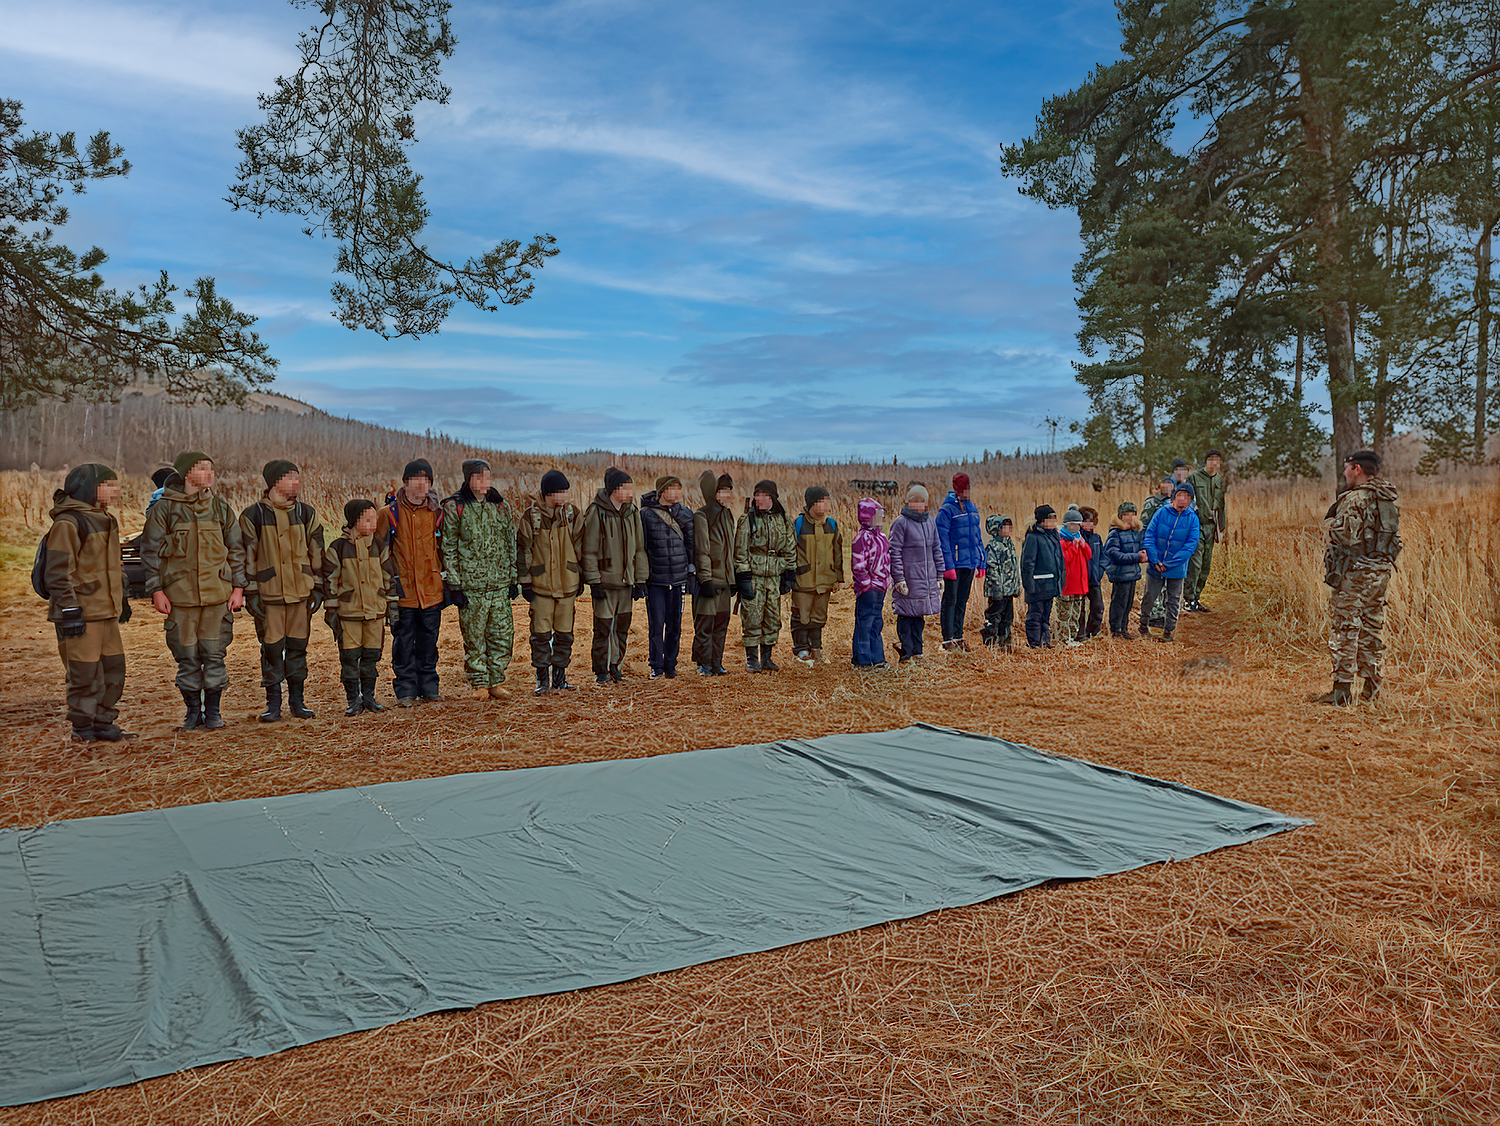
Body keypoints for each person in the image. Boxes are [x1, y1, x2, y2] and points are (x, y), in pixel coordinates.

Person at [140, 451, 246, 730]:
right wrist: (157, 590)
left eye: (211, 468)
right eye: (201, 469)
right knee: (187, 656)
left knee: (214, 654)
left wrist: (238, 588)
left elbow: (236, 550)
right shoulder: (165, 509)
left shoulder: (221, 508)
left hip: (216, 596)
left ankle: (213, 713)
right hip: (180, 597)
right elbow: (150, 553)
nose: (209, 473)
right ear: (187, 474)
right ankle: (192, 713)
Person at [44, 464, 132, 743]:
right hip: (81, 615)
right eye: (109, 485)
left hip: (106, 613)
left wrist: (122, 598)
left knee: (114, 670)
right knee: (84, 674)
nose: (116, 491)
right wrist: (70, 609)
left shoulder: (107, 520)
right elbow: (57, 573)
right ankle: (82, 728)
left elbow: (114, 567)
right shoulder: (68, 523)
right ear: (90, 487)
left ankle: (104, 723)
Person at [240, 460, 328, 722]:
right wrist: (252, 592)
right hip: (270, 597)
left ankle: (297, 702)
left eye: (297, 478)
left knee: (298, 648)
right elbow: (247, 555)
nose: (296, 483)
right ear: (274, 482)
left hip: (301, 594)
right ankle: (273, 704)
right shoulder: (252, 515)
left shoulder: (306, 514)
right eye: (290, 478)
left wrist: (319, 586)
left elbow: (317, 552)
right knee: (270, 649)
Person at [1320, 450, 1401, 705]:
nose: (1344, 472)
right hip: (1380, 572)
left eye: (1347, 468)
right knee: (1372, 626)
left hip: (1355, 572)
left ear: (1357, 469)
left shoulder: (1354, 499)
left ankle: (1341, 693)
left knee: (1346, 627)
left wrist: (1331, 527)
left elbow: (1344, 537)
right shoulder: (1386, 498)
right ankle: (1371, 690)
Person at [441, 458, 520, 702]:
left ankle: (496, 680)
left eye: (487, 477)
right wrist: (454, 584)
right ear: (468, 479)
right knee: (475, 638)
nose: (483, 482)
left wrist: (512, 578)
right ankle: (479, 683)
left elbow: (510, 542)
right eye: (478, 477)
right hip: (471, 587)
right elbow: (449, 547)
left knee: (502, 636)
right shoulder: (456, 507)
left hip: (498, 584)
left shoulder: (500, 505)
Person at [377, 459, 446, 706]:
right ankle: (405, 689)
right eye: (416, 479)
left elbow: (444, 550)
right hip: (402, 590)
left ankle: (429, 687)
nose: (421, 484)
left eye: (426, 480)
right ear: (405, 483)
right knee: (404, 642)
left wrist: (445, 581)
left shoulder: (438, 513)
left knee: (429, 641)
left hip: (431, 589)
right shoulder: (388, 514)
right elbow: (379, 552)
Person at [326, 499, 398, 715]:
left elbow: (389, 578)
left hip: (375, 612)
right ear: (354, 521)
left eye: (374, 518)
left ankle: (369, 698)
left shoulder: (380, 547)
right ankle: (352, 701)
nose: (373, 523)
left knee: (371, 656)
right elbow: (330, 581)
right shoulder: (337, 548)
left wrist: (392, 607)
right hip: (349, 613)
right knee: (349, 657)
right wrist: (331, 611)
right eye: (367, 519)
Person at [518, 469, 586, 695]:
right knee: (540, 635)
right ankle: (542, 680)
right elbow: (524, 549)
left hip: (567, 585)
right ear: (548, 493)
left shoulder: (573, 514)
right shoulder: (531, 516)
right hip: (541, 587)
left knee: (565, 634)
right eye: (560, 492)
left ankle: (560, 677)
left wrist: (581, 575)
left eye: (566, 491)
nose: (565, 496)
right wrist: (526, 581)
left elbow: (581, 547)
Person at [581, 467, 648, 684]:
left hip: (625, 584)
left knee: (621, 627)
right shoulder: (595, 512)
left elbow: (639, 548)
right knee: (603, 628)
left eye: (631, 487)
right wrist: (594, 581)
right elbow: (589, 550)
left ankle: (615, 666)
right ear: (614, 489)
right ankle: (601, 671)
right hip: (605, 583)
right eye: (626, 487)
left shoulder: (632, 512)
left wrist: (639, 579)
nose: (630, 492)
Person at [734, 479, 796, 672]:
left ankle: (766, 658)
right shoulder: (747, 520)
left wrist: (788, 572)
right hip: (754, 577)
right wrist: (743, 577)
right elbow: (740, 551)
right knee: (752, 617)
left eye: (765, 495)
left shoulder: (784, 520)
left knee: (772, 617)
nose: (761, 499)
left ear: (773, 498)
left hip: (774, 578)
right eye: (758, 495)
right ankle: (752, 659)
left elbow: (790, 548)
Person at [640, 474, 696, 678]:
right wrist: (644, 577)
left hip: (679, 578)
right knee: (656, 625)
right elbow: (642, 546)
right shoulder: (646, 514)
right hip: (656, 580)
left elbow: (691, 545)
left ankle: (671, 665)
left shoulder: (686, 514)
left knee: (675, 625)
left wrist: (690, 571)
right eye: (673, 488)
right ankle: (656, 665)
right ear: (662, 491)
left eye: (679, 488)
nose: (677, 493)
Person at [791, 485, 847, 664]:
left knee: (819, 616)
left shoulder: (831, 524)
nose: (827, 505)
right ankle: (801, 650)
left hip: (824, 579)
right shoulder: (799, 524)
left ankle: (816, 648)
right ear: (812, 504)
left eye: (827, 500)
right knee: (801, 615)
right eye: (823, 501)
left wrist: (838, 577)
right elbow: (790, 550)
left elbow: (837, 551)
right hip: (803, 579)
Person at [1139, 481, 1201, 642]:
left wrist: (1170, 564)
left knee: (1173, 600)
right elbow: (1150, 535)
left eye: (1187, 497)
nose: (1182, 500)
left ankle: (1168, 633)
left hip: (1176, 568)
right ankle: (1143, 626)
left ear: (1190, 501)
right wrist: (1155, 560)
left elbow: (1190, 546)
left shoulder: (1193, 519)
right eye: (1180, 496)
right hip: (1155, 564)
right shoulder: (1161, 513)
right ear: (1173, 498)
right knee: (1149, 596)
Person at [887, 484, 943, 662]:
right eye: (915, 501)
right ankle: (906, 653)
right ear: (908, 502)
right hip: (908, 578)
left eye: (922, 501)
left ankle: (917, 651)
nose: (919, 504)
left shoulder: (930, 522)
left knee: (919, 617)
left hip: (925, 580)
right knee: (906, 616)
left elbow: (937, 549)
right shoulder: (900, 523)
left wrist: (940, 575)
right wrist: (898, 579)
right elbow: (894, 552)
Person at [691, 471, 737, 676]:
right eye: (722, 490)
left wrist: (733, 578)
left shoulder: (727, 515)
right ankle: (704, 664)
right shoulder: (702, 515)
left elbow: (732, 549)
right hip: (710, 580)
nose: (727, 495)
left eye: (729, 490)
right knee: (705, 624)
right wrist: (705, 579)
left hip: (726, 581)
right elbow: (702, 550)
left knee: (721, 624)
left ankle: (717, 663)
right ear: (713, 492)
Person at [936, 472, 984, 650]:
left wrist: (981, 561)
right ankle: (947, 639)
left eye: (969, 488)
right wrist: (947, 566)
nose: (967, 492)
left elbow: (977, 536)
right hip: (954, 564)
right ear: (957, 489)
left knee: (963, 600)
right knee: (950, 600)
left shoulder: (972, 508)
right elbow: (942, 540)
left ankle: (958, 636)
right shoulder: (946, 510)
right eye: (964, 489)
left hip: (969, 562)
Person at [1184, 449, 1228, 612]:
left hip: (1212, 527)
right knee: (1195, 563)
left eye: (1217, 460)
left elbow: (1221, 506)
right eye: (1211, 459)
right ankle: (1188, 599)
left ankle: (1196, 598)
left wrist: (1221, 529)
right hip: (1196, 525)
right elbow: (1186, 500)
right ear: (1206, 461)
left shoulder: (1220, 480)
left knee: (1206, 565)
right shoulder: (1194, 477)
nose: (1214, 462)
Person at [849, 497, 890, 668]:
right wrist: (866, 584)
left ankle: (878, 658)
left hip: (881, 587)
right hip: (868, 588)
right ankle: (862, 659)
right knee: (864, 622)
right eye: (878, 514)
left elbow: (887, 560)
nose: (882, 518)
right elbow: (858, 566)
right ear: (868, 516)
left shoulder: (882, 537)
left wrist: (887, 580)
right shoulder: (861, 538)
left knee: (876, 622)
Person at [1020, 505, 1063, 648]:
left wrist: (1059, 581)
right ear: (1042, 521)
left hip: (1050, 584)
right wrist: (1029, 585)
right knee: (1035, 615)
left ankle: (1045, 640)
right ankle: (1034, 643)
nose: (1053, 522)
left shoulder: (1054, 536)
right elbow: (1027, 563)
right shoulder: (1033, 537)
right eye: (1050, 519)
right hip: (1037, 585)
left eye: (1054, 519)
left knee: (1046, 615)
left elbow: (1059, 560)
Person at [1104, 501, 1146, 639]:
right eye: (1126, 514)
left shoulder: (1136, 532)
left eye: (1132, 514)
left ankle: (1123, 628)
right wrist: (1136, 557)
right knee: (1119, 602)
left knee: (1128, 603)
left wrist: (1144, 554)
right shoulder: (1115, 533)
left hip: (1133, 574)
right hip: (1120, 574)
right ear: (1120, 516)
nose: (1129, 517)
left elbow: (1142, 547)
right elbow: (1113, 554)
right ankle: (1115, 629)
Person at [1054, 507, 1093, 647]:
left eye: (1078, 525)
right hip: (1067, 586)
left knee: (1076, 615)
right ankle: (1064, 640)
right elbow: (1065, 560)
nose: (1076, 528)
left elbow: (1089, 555)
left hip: (1079, 585)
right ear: (1067, 525)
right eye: (1073, 525)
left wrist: (1082, 545)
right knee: (1065, 614)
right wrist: (1074, 547)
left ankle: (1073, 637)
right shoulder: (1062, 542)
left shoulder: (1079, 538)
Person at [1139, 476, 1175, 627]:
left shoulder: (1177, 502)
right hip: (1156, 547)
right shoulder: (1152, 502)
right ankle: (1154, 616)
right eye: (1164, 485)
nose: (1167, 488)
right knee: (1155, 582)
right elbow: (1144, 525)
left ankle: (1166, 613)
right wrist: (1144, 547)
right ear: (1159, 486)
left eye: (1170, 485)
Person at [980, 515, 1020, 648]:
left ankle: (1005, 644)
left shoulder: (1009, 544)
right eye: (1005, 527)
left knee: (1007, 619)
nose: (1009, 529)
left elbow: (1014, 568)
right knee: (994, 617)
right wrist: (997, 589)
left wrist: (1016, 586)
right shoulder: (993, 546)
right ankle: (990, 643)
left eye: (1010, 526)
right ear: (996, 529)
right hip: (997, 592)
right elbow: (992, 570)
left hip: (1009, 591)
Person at [1076, 505, 1106, 640]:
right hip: (1079, 580)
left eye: (1091, 522)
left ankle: (1092, 633)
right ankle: (1079, 634)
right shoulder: (1076, 538)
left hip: (1094, 579)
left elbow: (1104, 557)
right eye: (1085, 521)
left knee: (1098, 607)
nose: (1089, 525)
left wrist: (1100, 571)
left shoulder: (1097, 538)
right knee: (1079, 609)